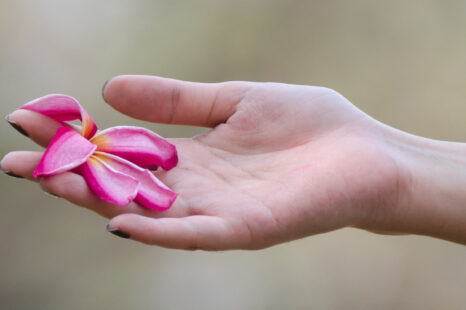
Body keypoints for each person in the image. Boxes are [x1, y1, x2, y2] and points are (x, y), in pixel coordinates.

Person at [1, 75, 465, 250]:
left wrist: (400, 167)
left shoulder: (98, 143)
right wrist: (398, 165)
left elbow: (159, 157)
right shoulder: (97, 142)